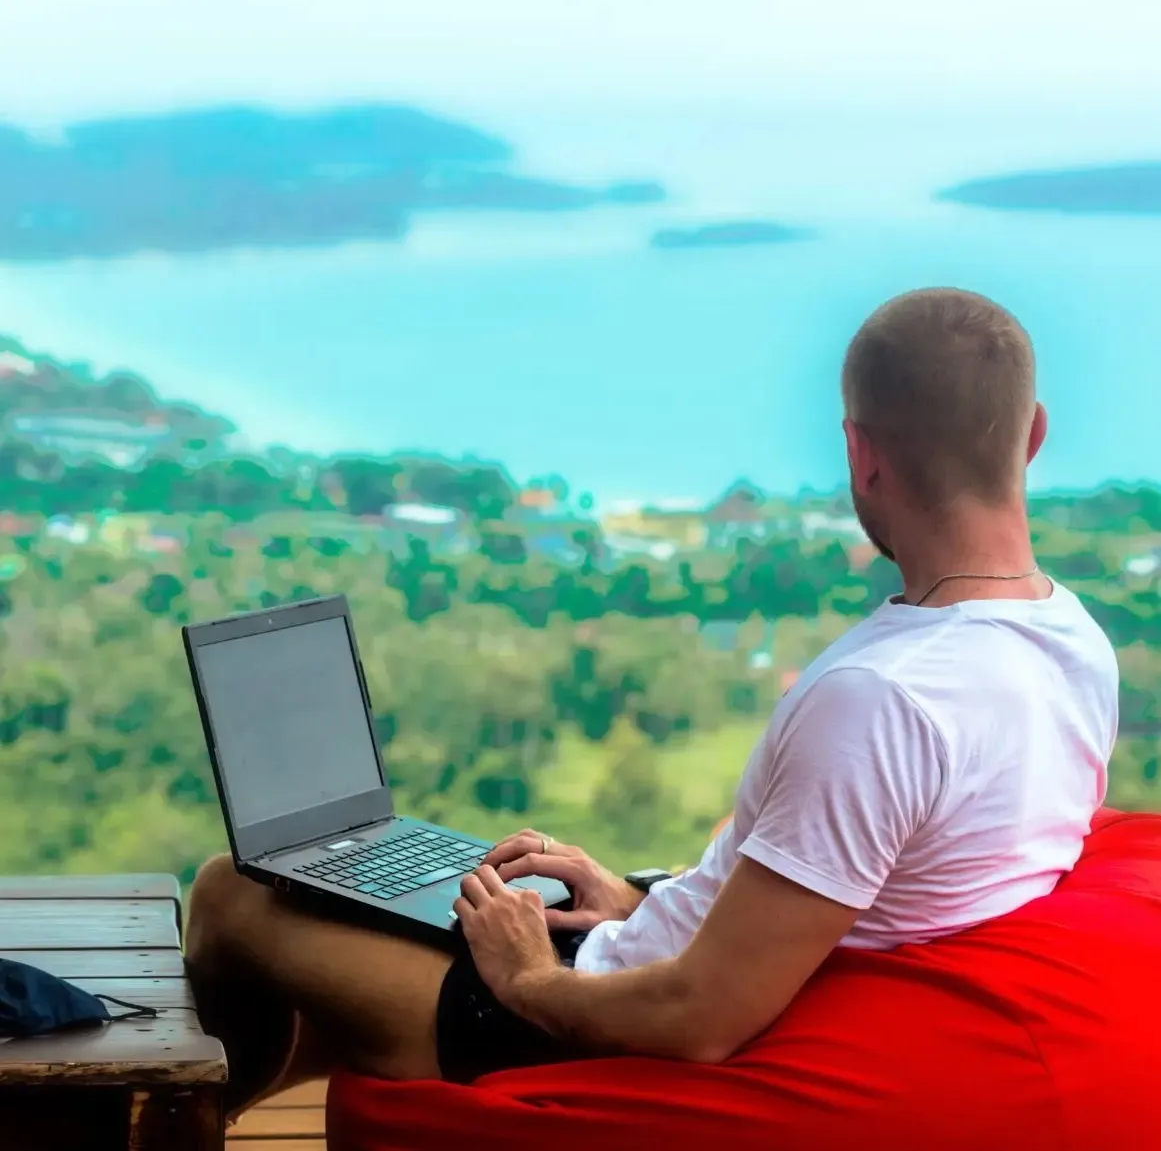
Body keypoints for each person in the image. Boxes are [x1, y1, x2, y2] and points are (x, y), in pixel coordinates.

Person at [186, 287, 1117, 1115]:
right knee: (339, 905)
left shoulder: (879, 697)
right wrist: (635, 895)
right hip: (662, 946)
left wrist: (528, 979)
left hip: (571, 1019)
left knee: (236, 890)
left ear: (859, 453)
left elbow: (698, 1017)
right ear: (1031, 433)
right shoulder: (1071, 642)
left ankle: (168, 1128)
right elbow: (870, 880)